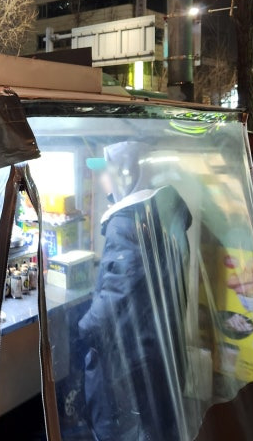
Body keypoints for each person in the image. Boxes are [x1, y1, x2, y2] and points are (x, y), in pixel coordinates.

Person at [80, 141, 192, 441]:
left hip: (135, 349)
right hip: (161, 338)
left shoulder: (127, 221)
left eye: (107, 172)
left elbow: (118, 289)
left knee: (128, 424)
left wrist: (86, 326)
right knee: (159, 422)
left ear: (125, 174)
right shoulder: (163, 209)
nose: (102, 180)